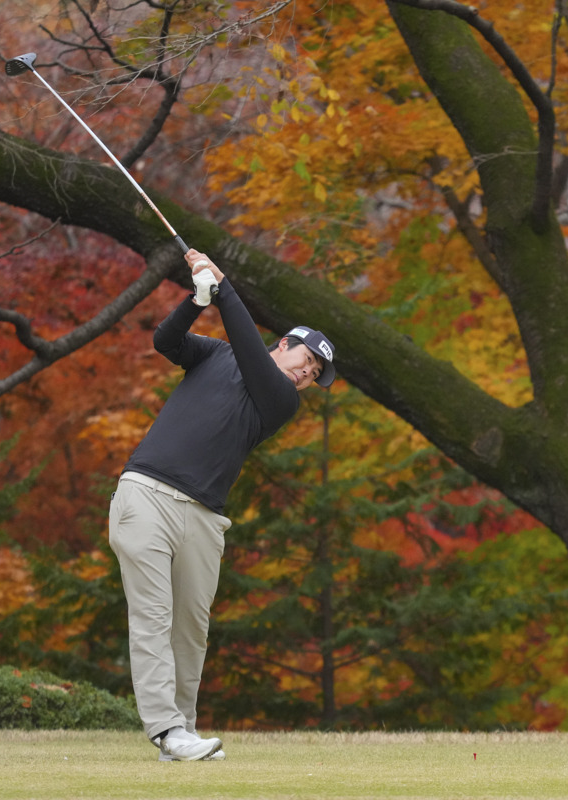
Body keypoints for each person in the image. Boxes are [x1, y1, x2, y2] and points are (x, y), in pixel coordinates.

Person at [107, 248, 335, 761]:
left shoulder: (280, 399)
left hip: (204, 517)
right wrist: (197, 299)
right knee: (153, 615)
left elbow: (252, 356)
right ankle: (166, 730)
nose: (308, 373)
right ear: (286, 344)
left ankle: (182, 731)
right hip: (145, 493)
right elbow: (165, 341)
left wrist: (224, 288)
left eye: (317, 371)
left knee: (191, 626)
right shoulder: (216, 354)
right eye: (308, 360)